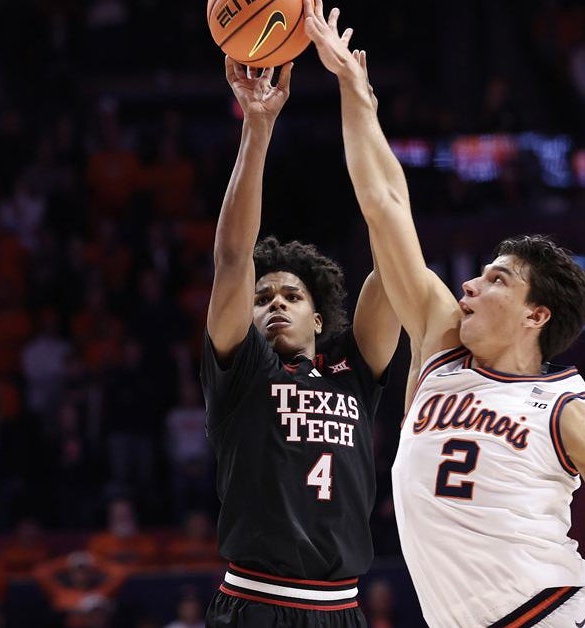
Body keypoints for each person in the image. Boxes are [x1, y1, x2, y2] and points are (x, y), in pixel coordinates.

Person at [303, 2, 585, 626]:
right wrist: (355, 93)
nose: (467, 284)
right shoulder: (439, 343)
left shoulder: (566, 413)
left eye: (496, 280)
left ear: (535, 315)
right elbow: (384, 205)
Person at [199, 50, 400, 626]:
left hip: (341, 610)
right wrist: (257, 129)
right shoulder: (241, 372)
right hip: (253, 603)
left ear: (319, 318)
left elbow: (395, 249)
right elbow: (234, 256)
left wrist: (361, 104)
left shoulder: (354, 371)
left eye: (291, 296)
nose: (275, 304)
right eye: (262, 300)